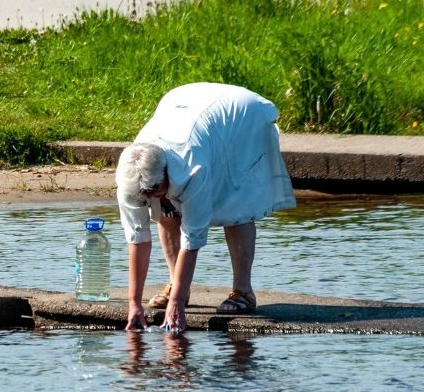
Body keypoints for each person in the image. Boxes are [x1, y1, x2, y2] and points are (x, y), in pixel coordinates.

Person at [115, 83, 296, 333]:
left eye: (155, 191)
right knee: (165, 211)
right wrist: (134, 304)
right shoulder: (129, 177)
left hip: (239, 116)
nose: (150, 198)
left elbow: (193, 238)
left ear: (166, 173)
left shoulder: (192, 168)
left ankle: (243, 291)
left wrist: (176, 306)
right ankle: (178, 286)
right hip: (184, 102)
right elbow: (137, 239)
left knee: (235, 204)